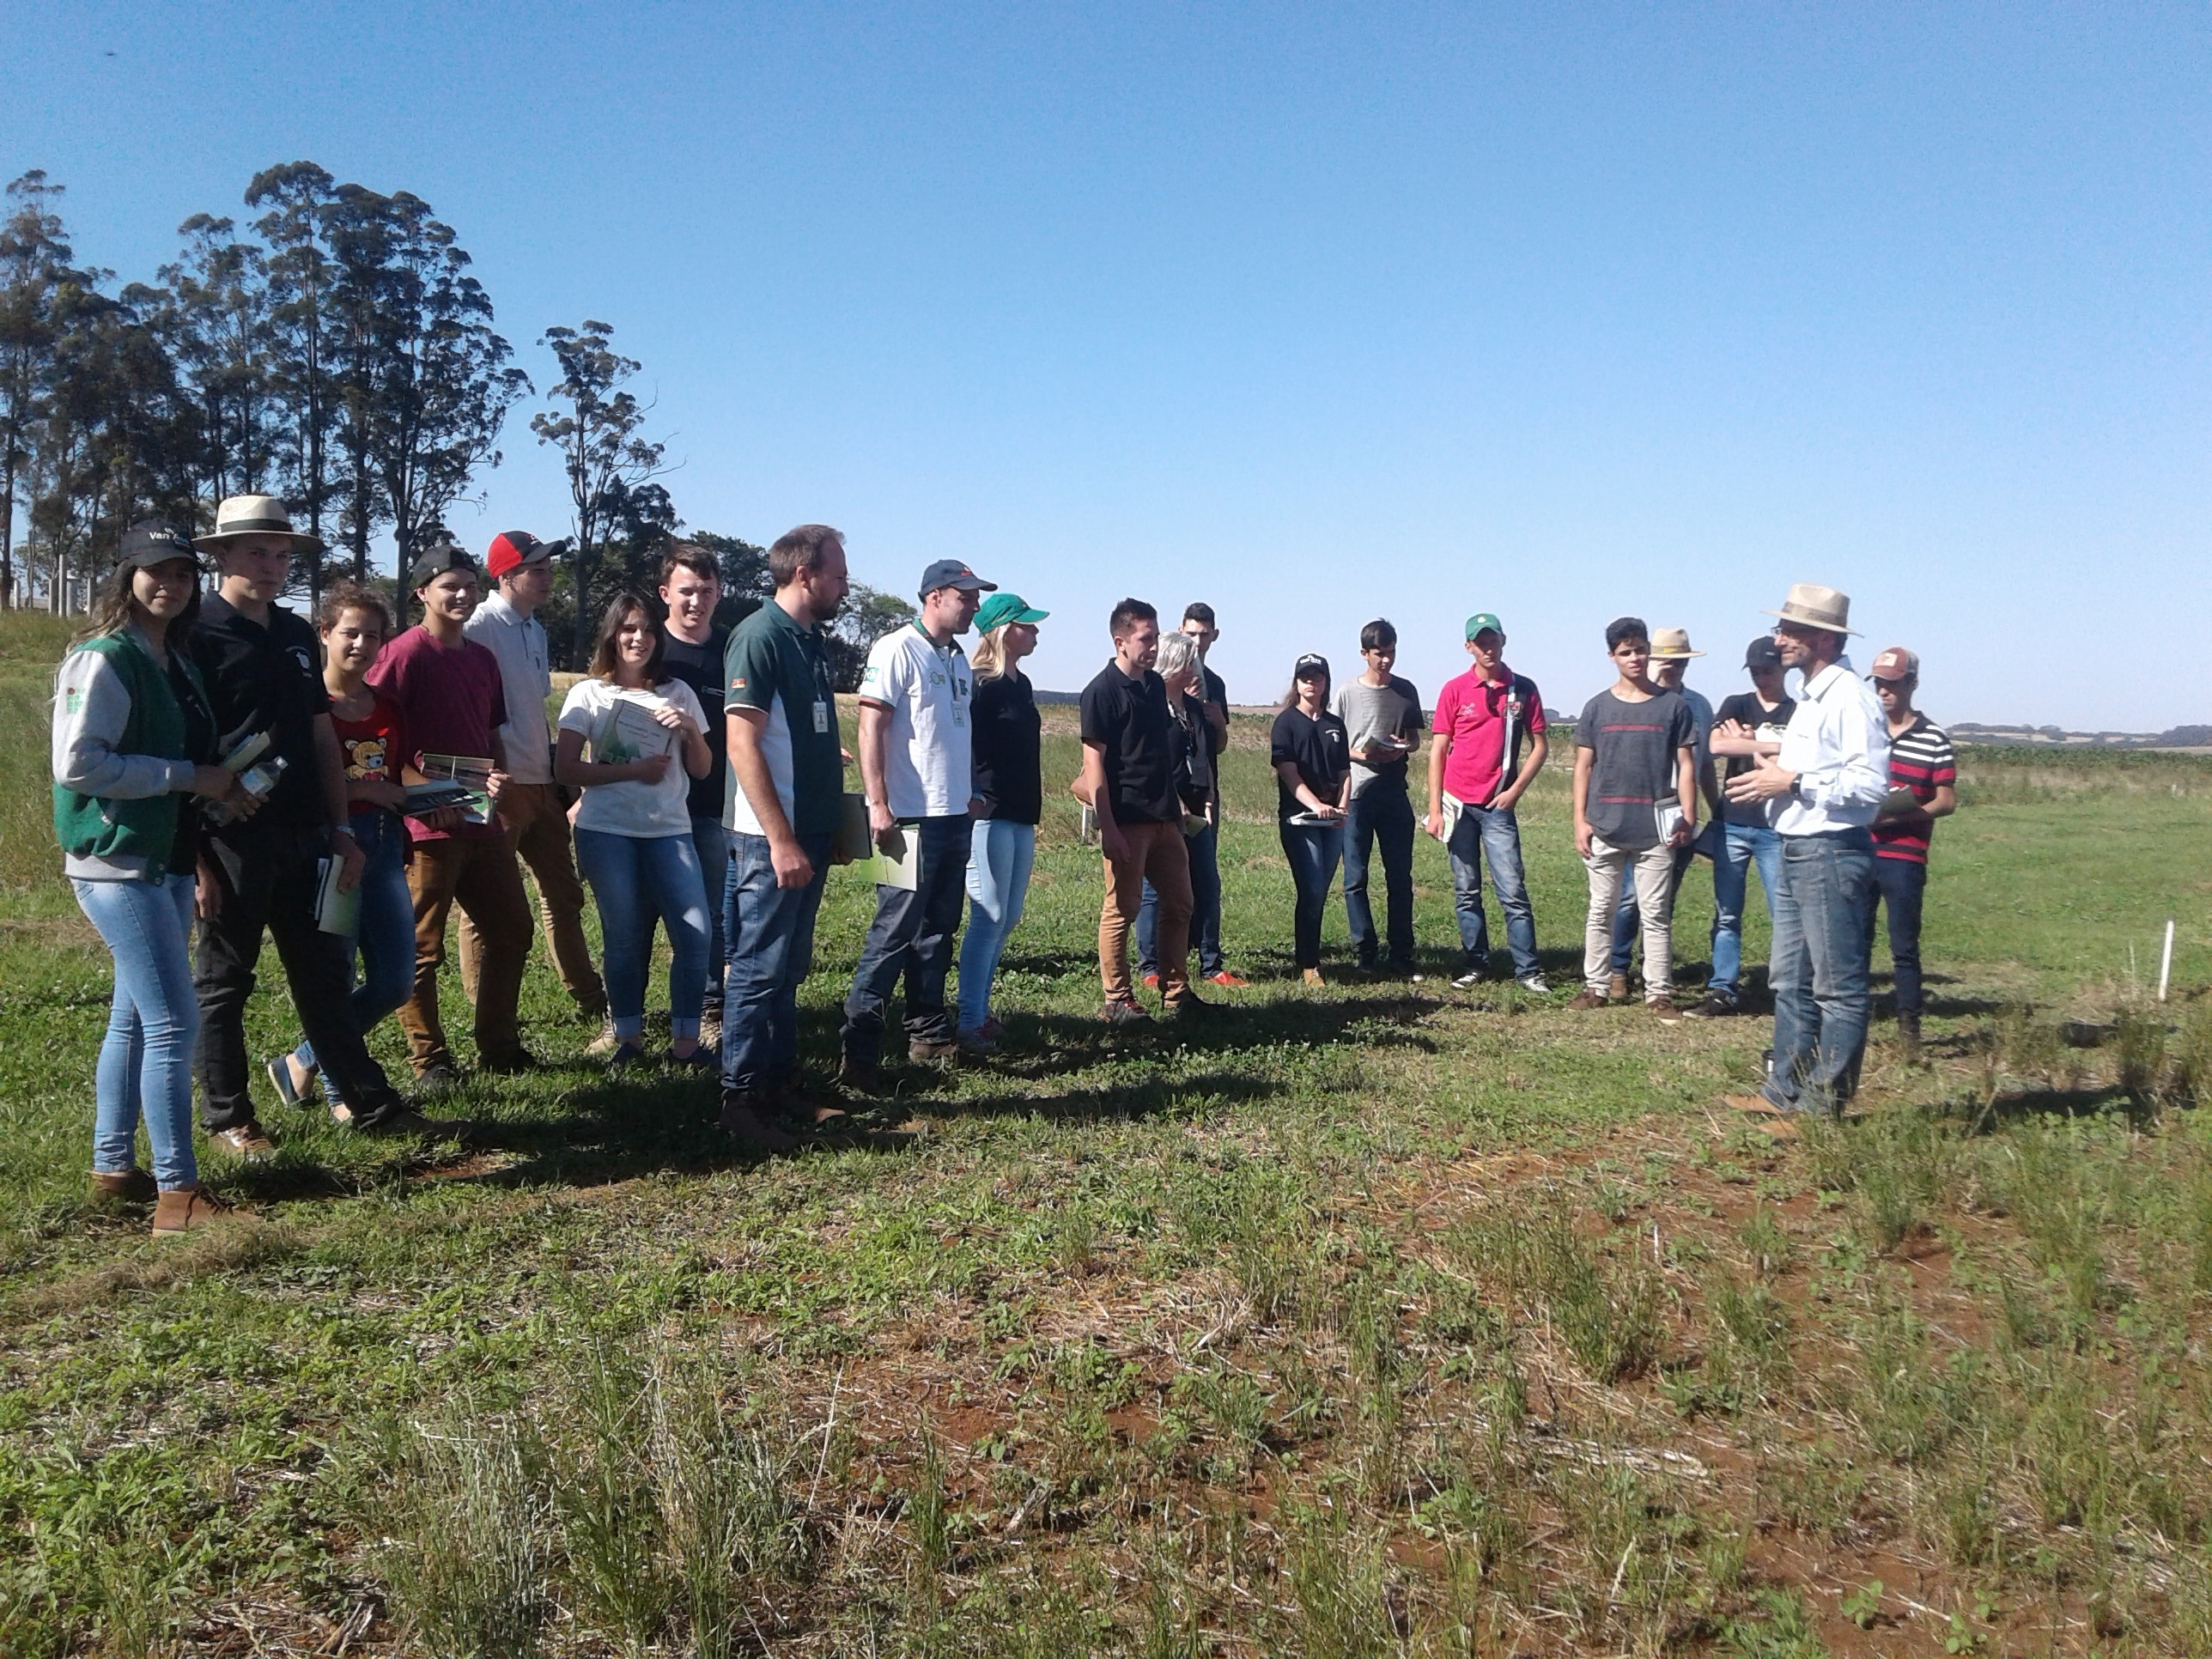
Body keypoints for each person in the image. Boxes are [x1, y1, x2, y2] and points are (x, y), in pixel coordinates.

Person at [188, 495, 425, 1149]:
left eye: (281, 555)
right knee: (225, 982)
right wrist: (197, 855)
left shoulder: (294, 633)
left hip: (308, 835)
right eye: (257, 552)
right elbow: (183, 745)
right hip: (230, 837)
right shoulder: (196, 632)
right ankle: (230, 1118)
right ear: (223, 555)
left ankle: (371, 1106)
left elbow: (321, 736)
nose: (271, 565)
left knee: (324, 977)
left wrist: (341, 829)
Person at [53, 521, 243, 1231]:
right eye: (155, 571)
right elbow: (79, 765)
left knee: (133, 1019)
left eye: (183, 573)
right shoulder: (104, 658)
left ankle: (113, 1168)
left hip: (163, 857)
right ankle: (178, 1195)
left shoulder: (172, 659)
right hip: (116, 860)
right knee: (173, 1023)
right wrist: (185, 776)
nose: (170, 584)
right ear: (127, 578)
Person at [267, 585, 443, 1121]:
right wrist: (368, 791)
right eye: (349, 633)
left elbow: (398, 771)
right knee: (336, 975)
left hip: (385, 849)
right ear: (324, 634)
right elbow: (301, 782)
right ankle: (341, 1094)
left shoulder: (386, 705)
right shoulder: (305, 704)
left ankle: (301, 1060)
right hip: (332, 852)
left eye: (372, 635)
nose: (361, 645)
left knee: (396, 980)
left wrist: (445, 795)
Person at [1721, 584, 1890, 1133]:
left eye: (1791, 630)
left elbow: (1871, 786)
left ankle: (1821, 1107)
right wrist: (1771, 772)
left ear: (1824, 638)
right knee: (1789, 980)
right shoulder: (1813, 696)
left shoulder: (1849, 698)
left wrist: (1791, 781)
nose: (1779, 639)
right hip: (1797, 846)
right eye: (1782, 628)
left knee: (1837, 986)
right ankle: (1784, 1090)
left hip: (1830, 851)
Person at [368, 538, 537, 1089]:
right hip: (426, 826)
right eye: (449, 587)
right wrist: (422, 795)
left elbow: (490, 734)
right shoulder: (404, 655)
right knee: (421, 946)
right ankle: (430, 1059)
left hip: (479, 819)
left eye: (469, 586)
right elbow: (375, 738)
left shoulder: (481, 658)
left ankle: (499, 1045)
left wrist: (501, 786)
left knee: (511, 929)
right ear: (422, 593)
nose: (462, 595)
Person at [720, 524, 851, 1149]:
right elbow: (742, 744)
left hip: (811, 833)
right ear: (805, 574)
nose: (844, 586)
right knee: (758, 966)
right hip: (771, 839)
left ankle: (778, 1082)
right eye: (838, 575)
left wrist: (831, 827)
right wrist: (780, 840)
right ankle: (740, 1098)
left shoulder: (810, 641)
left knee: (789, 967)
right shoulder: (759, 637)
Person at [841, 559, 993, 1088]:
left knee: (938, 931)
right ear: (934, 597)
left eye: (975, 597)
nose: (974, 606)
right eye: (965, 597)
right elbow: (870, 727)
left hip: (952, 818)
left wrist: (970, 794)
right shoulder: (895, 648)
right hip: (905, 818)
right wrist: (877, 803)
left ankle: (927, 1033)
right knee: (893, 931)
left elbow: (956, 732)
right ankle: (859, 1048)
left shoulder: (957, 659)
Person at [555, 594, 714, 1066]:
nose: (638, 638)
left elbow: (702, 769)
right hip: (606, 831)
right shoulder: (588, 694)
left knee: (696, 934)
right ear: (612, 635)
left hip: (670, 831)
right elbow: (566, 769)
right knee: (623, 938)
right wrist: (633, 771)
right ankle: (627, 1039)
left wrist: (690, 729)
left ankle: (687, 1043)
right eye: (628, 629)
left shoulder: (678, 692)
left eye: (646, 629)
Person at [460, 531, 607, 1033]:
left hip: (542, 782)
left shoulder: (536, 631)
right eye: (536, 570)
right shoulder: (477, 627)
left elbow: (531, 708)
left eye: (549, 569)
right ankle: (485, 1009)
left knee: (563, 894)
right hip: (498, 785)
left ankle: (588, 994)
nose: (548, 578)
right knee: (484, 904)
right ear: (506, 576)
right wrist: (486, 776)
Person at [1079, 599, 1211, 1021]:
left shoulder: (1153, 686)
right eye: (1145, 638)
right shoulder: (1101, 692)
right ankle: (1117, 999)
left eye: (1155, 637)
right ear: (1120, 641)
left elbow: (1157, 754)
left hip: (1165, 817)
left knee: (1181, 904)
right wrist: (1108, 827)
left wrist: (1177, 809)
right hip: (1127, 819)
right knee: (1122, 909)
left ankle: (1176, 993)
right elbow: (1094, 765)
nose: (1153, 647)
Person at [1568, 617, 1698, 1018]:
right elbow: (1583, 767)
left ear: (1649, 652)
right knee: (1601, 910)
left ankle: (1659, 993)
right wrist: (1580, 821)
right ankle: (1596, 986)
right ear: (1612, 656)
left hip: (1656, 829)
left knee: (1655, 914)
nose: (1634, 658)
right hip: (1604, 824)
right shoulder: (1597, 707)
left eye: (1640, 650)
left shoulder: (1673, 707)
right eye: (1626, 652)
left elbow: (1686, 764)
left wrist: (1689, 816)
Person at [1427, 612, 1550, 994]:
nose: (1488, 648)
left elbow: (1540, 746)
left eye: (1493, 640)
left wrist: (1514, 792)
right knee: (1466, 890)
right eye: (1480, 642)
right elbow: (1438, 751)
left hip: (1498, 807)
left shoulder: (1522, 689)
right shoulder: (1454, 689)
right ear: (1469, 647)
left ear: (1503, 641)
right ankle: (1476, 963)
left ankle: (1528, 970)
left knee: (1512, 889)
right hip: (1458, 803)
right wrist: (1435, 810)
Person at [957, 591, 1049, 1054]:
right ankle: (968, 1021)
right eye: (1026, 625)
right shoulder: (979, 683)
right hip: (989, 812)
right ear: (1003, 630)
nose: (1035, 632)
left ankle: (980, 1011)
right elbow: (963, 745)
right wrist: (972, 795)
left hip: (1020, 811)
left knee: (1008, 916)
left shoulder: (1021, 684)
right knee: (988, 914)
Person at [1686, 637, 1796, 1019]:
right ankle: (1722, 988)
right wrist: (1772, 746)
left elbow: (1803, 758)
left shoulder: (1798, 711)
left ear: (1783, 669)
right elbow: (1717, 746)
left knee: (1783, 911)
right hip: (1733, 822)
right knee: (1727, 912)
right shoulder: (1736, 703)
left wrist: (1749, 741)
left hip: (1775, 826)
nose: (1761, 678)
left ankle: (1789, 989)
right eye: (1755, 672)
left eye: (1768, 670)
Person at [1137, 601, 1244, 988]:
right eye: (1187, 657)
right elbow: (1150, 758)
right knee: (1155, 888)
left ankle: (1211, 963)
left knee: (1206, 882)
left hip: (1200, 807)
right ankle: (1151, 966)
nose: (1194, 658)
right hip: (1163, 807)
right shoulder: (1149, 701)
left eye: (1204, 636)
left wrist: (1210, 796)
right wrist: (1175, 802)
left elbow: (1208, 752)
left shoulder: (1200, 703)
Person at [1608, 628, 1720, 1000]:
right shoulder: (1638, 700)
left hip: (1680, 815)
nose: (1673, 667)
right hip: (1640, 812)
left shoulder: (1700, 706)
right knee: (1629, 897)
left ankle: (1652, 970)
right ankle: (1618, 969)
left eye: (1681, 661)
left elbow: (1703, 764)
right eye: (1667, 660)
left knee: (1663, 898)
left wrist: (1713, 809)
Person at [655, 542, 733, 1024]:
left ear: (719, 593)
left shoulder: (732, 649)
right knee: (640, 918)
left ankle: (709, 1009)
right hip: (650, 804)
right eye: (686, 590)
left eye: (706, 591)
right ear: (666, 592)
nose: (696, 601)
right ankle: (624, 1017)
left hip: (713, 803)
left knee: (712, 913)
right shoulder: (646, 647)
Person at [1866, 647, 1957, 1051]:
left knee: (1903, 945)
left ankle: (1910, 1031)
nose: (1884, 692)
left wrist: (1900, 817)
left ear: (1912, 684)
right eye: (1879, 683)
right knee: (1856, 940)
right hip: (1861, 850)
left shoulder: (1934, 737)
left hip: (1905, 854)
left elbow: (1946, 801)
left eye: (1893, 684)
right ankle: (1854, 1022)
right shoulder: (1865, 730)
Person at [1334, 620, 1424, 977]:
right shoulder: (1347, 693)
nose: (1386, 660)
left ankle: (1401, 953)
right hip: (1357, 794)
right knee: (1355, 877)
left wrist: (1402, 747)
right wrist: (1362, 755)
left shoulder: (1405, 690)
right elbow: (1334, 744)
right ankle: (1365, 952)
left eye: (1391, 653)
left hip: (1394, 791)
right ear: (1364, 654)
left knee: (1400, 876)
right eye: (1379, 654)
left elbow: (1415, 740)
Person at [1271, 653, 1350, 987]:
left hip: (1332, 821)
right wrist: (1316, 805)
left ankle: (1308, 956)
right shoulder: (1286, 723)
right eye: (1304, 677)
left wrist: (1342, 807)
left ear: (1325, 682)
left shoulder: (1335, 725)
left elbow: (1345, 772)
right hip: (1300, 819)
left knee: (1320, 890)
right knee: (1312, 887)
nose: (1310, 683)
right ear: (1296, 682)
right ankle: (1308, 964)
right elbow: (1288, 773)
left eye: (1316, 677)